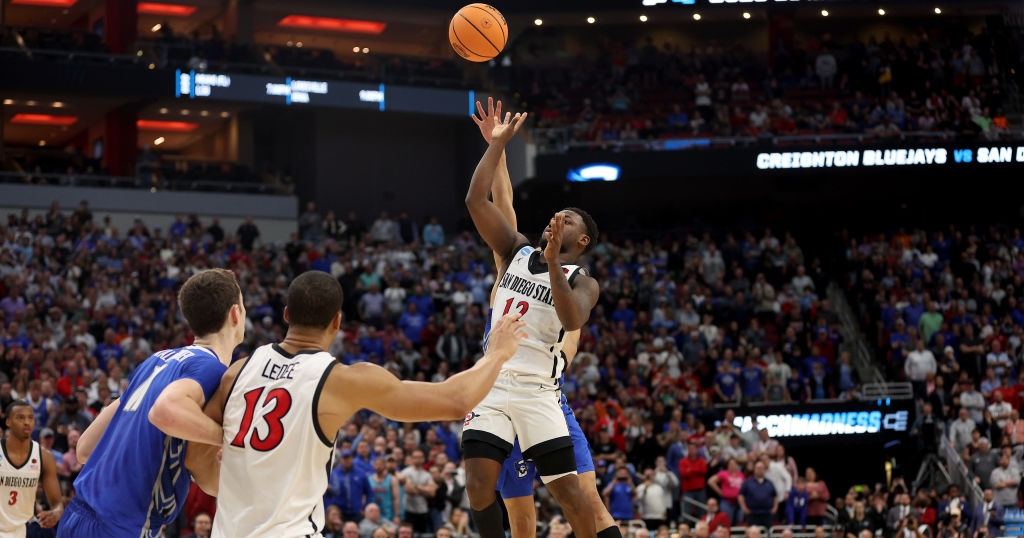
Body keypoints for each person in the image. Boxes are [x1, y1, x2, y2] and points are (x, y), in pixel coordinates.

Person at [185, 271, 528, 537]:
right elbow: (455, 401)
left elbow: (197, 460)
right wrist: (497, 354)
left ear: (286, 314)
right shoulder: (341, 380)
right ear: (337, 322)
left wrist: (241, 487)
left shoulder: (238, 371)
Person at [472, 98, 619, 538]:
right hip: (495, 386)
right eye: (556, 214)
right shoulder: (511, 256)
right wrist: (496, 145)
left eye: (567, 217)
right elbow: (500, 199)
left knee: (587, 497)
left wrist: (555, 264)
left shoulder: (580, 280)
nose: (557, 218)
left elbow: (571, 328)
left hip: (542, 390)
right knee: (518, 514)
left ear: (583, 237)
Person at [57, 269, 246, 538]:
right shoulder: (210, 368)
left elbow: (86, 448)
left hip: (77, 517)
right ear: (235, 314)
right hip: (121, 527)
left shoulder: (156, 360)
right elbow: (165, 411)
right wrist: (228, 438)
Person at [1, 401, 64, 538]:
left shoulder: (44, 457)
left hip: (26, 529)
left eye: (30, 417)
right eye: (20, 417)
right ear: (8, 422)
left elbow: (57, 503)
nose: (27, 422)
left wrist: (55, 513)